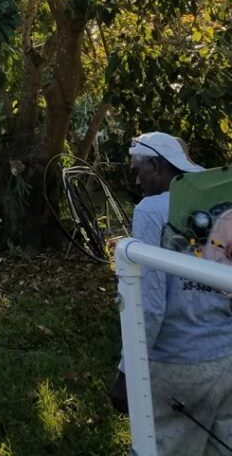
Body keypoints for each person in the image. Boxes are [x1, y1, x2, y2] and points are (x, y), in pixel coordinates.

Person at [111, 131, 232, 454]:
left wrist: (127, 372)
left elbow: (149, 305)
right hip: (226, 360)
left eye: (138, 171)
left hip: (180, 368)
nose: (136, 181)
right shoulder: (219, 202)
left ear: (158, 165)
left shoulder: (151, 210)